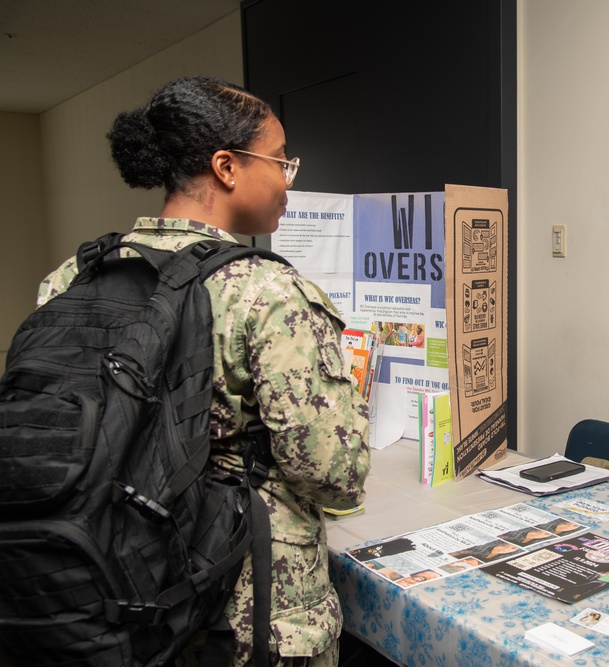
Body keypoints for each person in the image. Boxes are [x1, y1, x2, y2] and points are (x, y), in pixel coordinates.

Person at [36, 76, 371, 666]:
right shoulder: (268, 291)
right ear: (227, 166)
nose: (288, 179)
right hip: (250, 610)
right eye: (279, 161)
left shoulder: (72, 279)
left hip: (112, 588)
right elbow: (331, 470)